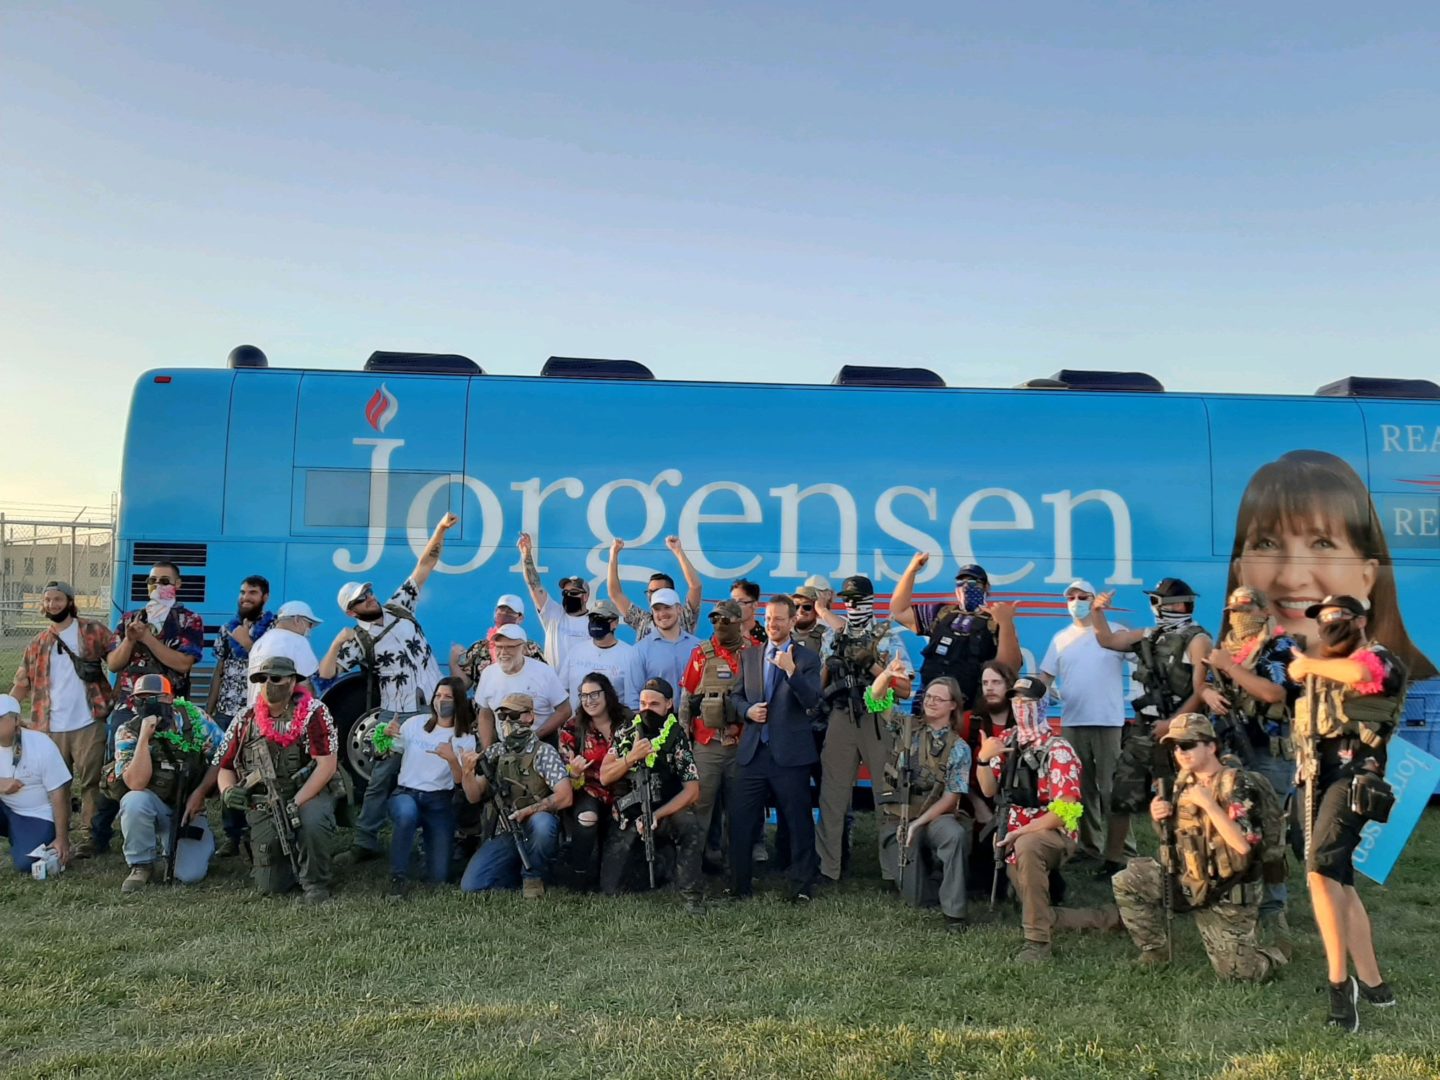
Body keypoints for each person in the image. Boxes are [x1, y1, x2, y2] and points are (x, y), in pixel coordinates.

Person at [1289, 595, 1404, 1032]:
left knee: (1320, 870)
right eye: (1323, 619)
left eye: (1339, 617)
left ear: (1360, 621)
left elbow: (1362, 674)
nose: (1330, 624)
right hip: (1313, 779)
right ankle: (1375, 983)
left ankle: (1341, 985)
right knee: (1338, 877)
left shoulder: (1380, 659)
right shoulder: (1316, 668)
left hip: (1356, 775)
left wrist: (1308, 666)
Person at [1225, 449, 1435, 680]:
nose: (1291, 578)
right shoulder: (1241, 664)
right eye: (1266, 544)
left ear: (1368, 576)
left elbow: (1364, 673)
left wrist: (1308, 666)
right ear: (1239, 573)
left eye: (1322, 543)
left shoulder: (1385, 662)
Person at [1109, 714, 1289, 982]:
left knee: (1239, 976)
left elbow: (1243, 845)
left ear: (1211, 746)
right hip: (1189, 879)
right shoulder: (1182, 782)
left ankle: (1274, 953)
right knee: (1127, 880)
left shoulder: (1236, 784)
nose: (1181, 752)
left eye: (1188, 744)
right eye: (1176, 746)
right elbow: (1174, 838)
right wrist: (1160, 817)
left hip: (1227, 889)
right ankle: (1155, 952)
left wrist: (1209, 805)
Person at [322, 513, 453, 865]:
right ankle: (366, 840)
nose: (369, 597)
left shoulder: (399, 607)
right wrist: (336, 643)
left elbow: (425, 565)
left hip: (432, 710)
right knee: (381, 778)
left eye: (368, 592)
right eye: (360, 599)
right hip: (394, 715)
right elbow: (326, 672)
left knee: (436, 776)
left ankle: (433, 843)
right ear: (352, 612)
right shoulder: (359, 639)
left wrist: (439, 530)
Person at [1091, 579, 1212, 878]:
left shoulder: (1197, 639)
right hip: (1143, 728)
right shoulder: (1150, 634)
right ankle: (1113, 859)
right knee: (1122, 792)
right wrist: (1097, 611)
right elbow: (1107, 640)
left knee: (1175, 797)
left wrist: (1173, 724)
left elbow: (1201, 690)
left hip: (1179, 733)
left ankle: (1182, 859)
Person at [1203, 586, 1300, 941]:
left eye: (1246, 609)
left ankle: (1273, 908)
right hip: (1229, 751)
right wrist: (1208, 692)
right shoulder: (1223, 649)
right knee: (1232, 825)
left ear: (1262, 609)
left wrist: (1230, 668)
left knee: (1270, 830)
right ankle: (1235, 896)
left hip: (1268, 752)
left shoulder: (1280, 647)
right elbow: (1209, 686)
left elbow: (1275, 693)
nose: (1238, 615)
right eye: (1233, 609)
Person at [974, 676, 1088, 963]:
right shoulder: (1009, 740)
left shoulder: (1058, 750)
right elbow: (989, 789)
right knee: (1037, 907)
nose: (1020, 707)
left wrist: (1020, 833)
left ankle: (1037, 943)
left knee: (1028, 846)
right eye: (1016, 701)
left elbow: (1065, 811)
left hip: (1052, 832)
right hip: (1012, 830)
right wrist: (984, 760)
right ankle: (1108, 918)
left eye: (1028, 702)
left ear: (1042, 706)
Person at [215, 655, 341, 902]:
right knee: (272, 886)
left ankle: (316, 881)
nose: (268, 683)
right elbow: (224, 766)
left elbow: (327, 765)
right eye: (262, 679)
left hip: (307, 791)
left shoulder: (314, 713)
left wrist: (297, 802)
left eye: (276, 678)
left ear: (293, 682)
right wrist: (228, 790)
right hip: (264, 798)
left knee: (311, 821)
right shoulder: (244, 718)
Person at [816, 574, 912, 884]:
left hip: (878, 716)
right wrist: (830, 666)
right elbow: (821, 685)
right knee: (832, 796)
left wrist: (872, 664)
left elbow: (905, 690)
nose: (853, 606)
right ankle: (827, 869)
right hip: (842, 715)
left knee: (887, 795)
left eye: (859, 600)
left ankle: (892, 870)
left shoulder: (888, 635)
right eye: (848, 600)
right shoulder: (833, 635)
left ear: (871, 601)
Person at [729, 595, 823, 900]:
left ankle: (801, 887)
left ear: (793, 621)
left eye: (779, 619)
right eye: (768, 618)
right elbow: (736, 696)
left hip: (790, 756)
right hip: (754, 752)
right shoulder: (751, 655)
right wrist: (747, 711)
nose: (772, 624)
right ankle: (740, 885)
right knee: (741, 821)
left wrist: (791, 671)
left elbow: (812, 701)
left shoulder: (807, 658)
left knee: (797, 824)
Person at [8, 580, 112, 859]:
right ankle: (55, 833)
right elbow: (22, 683)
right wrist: (7, 710)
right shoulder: (37, 643)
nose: (51, 604)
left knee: (92, 781)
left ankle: (93, 836)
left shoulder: (93, 631)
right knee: (55, 784)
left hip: (89, 721)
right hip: (49, 726)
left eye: (57, 599)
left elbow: (117, 660)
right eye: (47, 600)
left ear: (69, 601)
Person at [873, 661, 972, 930]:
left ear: (953, 705)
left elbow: (951, 797)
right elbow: (875, 700)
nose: (931, 702)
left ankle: (955, 912)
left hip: (932, 818)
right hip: (899, 818)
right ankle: (936, 879)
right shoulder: (905, 728)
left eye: (939, 699)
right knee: (915, 897)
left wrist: (918, 824)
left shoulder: (959, 748)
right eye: (928, 696)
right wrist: (886, 675)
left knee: (955, 834)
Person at [1037, 580, 1129, 864]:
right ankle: (1089, 846)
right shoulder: (1060, 639)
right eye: (1071, 597)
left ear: (1093, 599)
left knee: (1112, 789)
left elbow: (1140, 665)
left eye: (1083, 596)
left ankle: (1121, 851)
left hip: (1108, 722)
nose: (1076, 601)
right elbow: (1044, 679)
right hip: (1073, 723)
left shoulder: (1116, 631)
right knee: (1082, 788)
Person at [106, 674, 223, 893]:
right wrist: (143, 739)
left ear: (169, 698)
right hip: (153, 806)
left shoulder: (195, 720)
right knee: (134, 801)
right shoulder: (127, 731)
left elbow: (223, 756)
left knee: (189, 875)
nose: (146, 705)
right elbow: (135, 783)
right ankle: (141, 865)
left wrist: (200, 793)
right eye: (140, 700)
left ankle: (188, 846)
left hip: (189, 810)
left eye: (153, 698)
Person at [598, 678, 705, 914]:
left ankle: (691, 896)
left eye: (654, 704)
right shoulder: (626, 732)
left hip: (664, 810)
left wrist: (657, 815)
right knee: (612, 887)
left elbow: (692, 789)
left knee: (689, 826)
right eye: (643, 703)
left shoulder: (676, 736)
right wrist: (631, 757)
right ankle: (658, 870)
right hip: (629, 811)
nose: (647, 710)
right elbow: (605, 776)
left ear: (668, 704)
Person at [459, 693, 574, 897]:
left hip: (535, 826)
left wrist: (529, 810)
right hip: (505, 831)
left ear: (530, 716)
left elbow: (565, 796)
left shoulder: (543, 751)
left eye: (513, 715)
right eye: (502, 717)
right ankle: (516, 875)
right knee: (472, 885)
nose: (507, 722)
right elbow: (474, 796)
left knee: (543, 824)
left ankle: (533, 877)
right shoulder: (495, 752)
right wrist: (467, 773)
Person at [889, 554, 1021, 712]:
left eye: (973, 583)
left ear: (986, 587)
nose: (966, 587)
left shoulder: (996, 620)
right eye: (961, 583)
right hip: (926, 707)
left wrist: (1006, 623)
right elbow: (899, 611)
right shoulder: (942, 613)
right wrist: (912, 571)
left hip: (967, 713)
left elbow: (1009, 667)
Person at [382, 678, 476, 897]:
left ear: (459, 702)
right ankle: (398, 877)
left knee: (439, 878)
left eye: (448, 697)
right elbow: (387, 751)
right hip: (407, 793)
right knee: (406, 814)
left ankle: (428, 853)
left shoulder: (465, 739)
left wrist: (453, 759)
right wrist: (386, 736)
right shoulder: (415, 724)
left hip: (440, 801)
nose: (441, 700)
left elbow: (461, 781)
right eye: (438, 695)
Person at [679, 600, 752, 871]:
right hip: (706, 743)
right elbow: (686, 697)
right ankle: (691, 868)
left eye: (725, 620)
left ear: (738, 622)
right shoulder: (701, 653)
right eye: (715, 620)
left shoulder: (752, 653)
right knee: (700, 809)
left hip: (742, 745)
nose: (719, 625)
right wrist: (684, 737)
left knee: (739, 810)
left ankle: (737, 868)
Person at [206, 575, 276, 857]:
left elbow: (267, 664)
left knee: (258, 773)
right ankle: (232, 836)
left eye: (253, 592)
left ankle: (257, 832)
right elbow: (219, 670)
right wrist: (209, 711)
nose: (246, 596)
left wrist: (247, 643)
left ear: (265, 597)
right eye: (243, 591)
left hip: (257, 713)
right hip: (226, 713)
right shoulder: (227, 628)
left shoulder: (273, 628)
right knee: (227, 772)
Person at [558, 673, 628, 889]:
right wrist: (575, 773)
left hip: (624, 790)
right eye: (584, 696)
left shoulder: (627, 721)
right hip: (589, 789)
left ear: (607, 694)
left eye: (594, 694)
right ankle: (578, 876)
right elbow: (565, 772)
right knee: (587, 818)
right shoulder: (573, 727)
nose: (589, 701)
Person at [105, 560, 205, 700]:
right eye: (152, 580)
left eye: (164, 581)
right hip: (129, 702)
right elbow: (113, 665)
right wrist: (129, 640)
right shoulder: (129, 618)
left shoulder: (190, 620)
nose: (157, 585)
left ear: (177, 584)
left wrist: (147, 638)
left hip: (168, 701)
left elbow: (183, 664)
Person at [0, 694, 72, 873]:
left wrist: (62, 838)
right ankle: (19, 834)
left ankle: (23, 836)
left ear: (16, 719)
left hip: (36, 814)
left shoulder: (41, 744)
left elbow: (59, 793)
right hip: (5, 807)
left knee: (27, 864)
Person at [473, 625, 572, 743]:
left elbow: (565, 710)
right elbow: (485, 714)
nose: (503, 652)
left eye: (510, 647)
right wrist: (488, 750)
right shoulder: (488, 674)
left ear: (524, 648)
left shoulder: (544, 672)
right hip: (505, 746)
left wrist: (535, 737)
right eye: (499, 647)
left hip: (542, 743)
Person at [516, 531, 592, 670]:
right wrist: (526, 556)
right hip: (553, 688)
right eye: (565, 592)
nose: (568, 595)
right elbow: (534, 585)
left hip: (584, 688)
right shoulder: (553, 613)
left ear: (585, 597)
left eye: (573, 592)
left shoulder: (594, 622)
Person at [607, 536, 704, 640]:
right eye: (650, 592)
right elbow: (615, 594)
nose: (652, 595)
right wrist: (613, 554)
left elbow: (695, 587)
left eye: (657, 591)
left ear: (671, 593)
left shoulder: (683, 616)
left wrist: (678, 551)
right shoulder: (642, 620)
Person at [560, 599, 646, 712]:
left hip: (614, 725)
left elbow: (632, 701)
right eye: (592, 618)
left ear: (614, 623)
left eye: (601, 619)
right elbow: (562, 691)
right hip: (577, 725)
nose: (595, 622)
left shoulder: (630, 655)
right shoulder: (576, 651)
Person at [449, 593, 545, 689]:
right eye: (501, 610)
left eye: (510, 612)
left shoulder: (531, 648)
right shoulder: (479, 648)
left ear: (520, 618)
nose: (504, 614)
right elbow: (463, 686)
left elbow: (544, 681)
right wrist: (453, 662)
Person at [634, 588, 704, 696]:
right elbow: (633, 694)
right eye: (657, 609)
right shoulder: (640, 650)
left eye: (667, 607)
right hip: (656, 713)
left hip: (694, 712)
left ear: (679, 609)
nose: (662, 613)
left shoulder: (698, 646)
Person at [247, 600, 323, 698]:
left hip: (257, 710)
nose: (309, 629)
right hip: (284, 711)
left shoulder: (258, 643)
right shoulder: (298, 641)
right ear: (297, 619)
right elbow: (305, 686)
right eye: (309, 624)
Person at [789, 586, 837, 653]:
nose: (800, 611)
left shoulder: (826, 635)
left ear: (816, 610)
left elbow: (846, 631)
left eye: (807, 607)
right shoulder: (782, 632)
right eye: (796, 606)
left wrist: (822, 610)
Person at [731, 578, 767, 646]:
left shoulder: (766, 638)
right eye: (732, 602)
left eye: (740, 602)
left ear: (755, 605)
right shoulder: (724, 635)